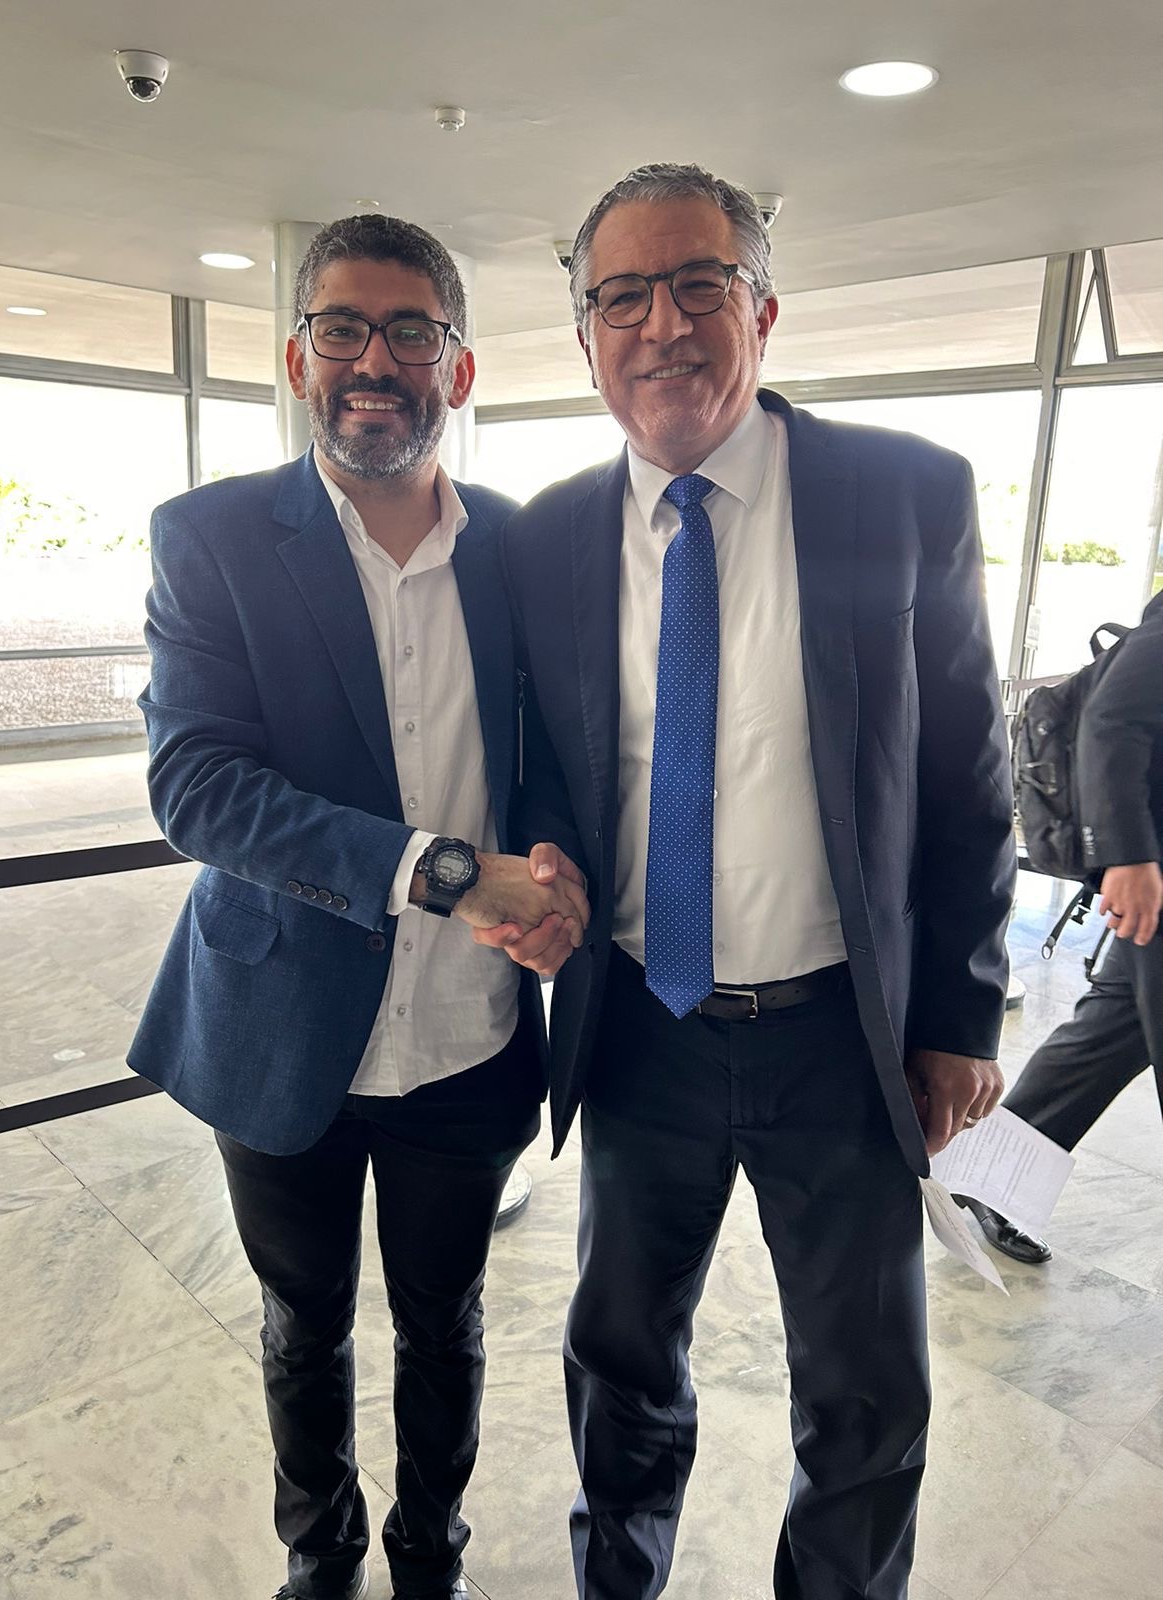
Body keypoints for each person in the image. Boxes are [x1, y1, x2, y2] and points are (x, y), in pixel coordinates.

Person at [482, 164, 1017, 1600]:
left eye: (698, 286)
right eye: (622, 298)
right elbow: (547, 766)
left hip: (839, 1035)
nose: (662, 325)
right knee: (619, 1364)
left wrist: (960, 1012)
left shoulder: (904, 495)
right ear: (586, 336)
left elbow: (968, 776)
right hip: (640, 1030)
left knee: (866, 1390)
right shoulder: (542, 538)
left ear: (762, 310)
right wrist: (543, 859)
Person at [128, 213, 588, 1600]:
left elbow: (557, 758)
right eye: (342, 328)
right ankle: (320, 1558)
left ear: (459, 367)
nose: (373, 361)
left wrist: (557, 874)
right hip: (281, 1024)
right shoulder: (212, 538)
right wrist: (445, 871)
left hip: (470, 1034)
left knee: (446, 1322)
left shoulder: (523, 548)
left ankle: (429, 1557)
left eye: (410, 333)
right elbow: (198, 787)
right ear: (298, 358)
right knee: (302, 1321)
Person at [960, 588, 1163, 1265]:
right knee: (1110, 1030)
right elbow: (1113, 717)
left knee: (1108, 1033)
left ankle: (988, 1180)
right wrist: (1127, 856)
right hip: (1156, 878)